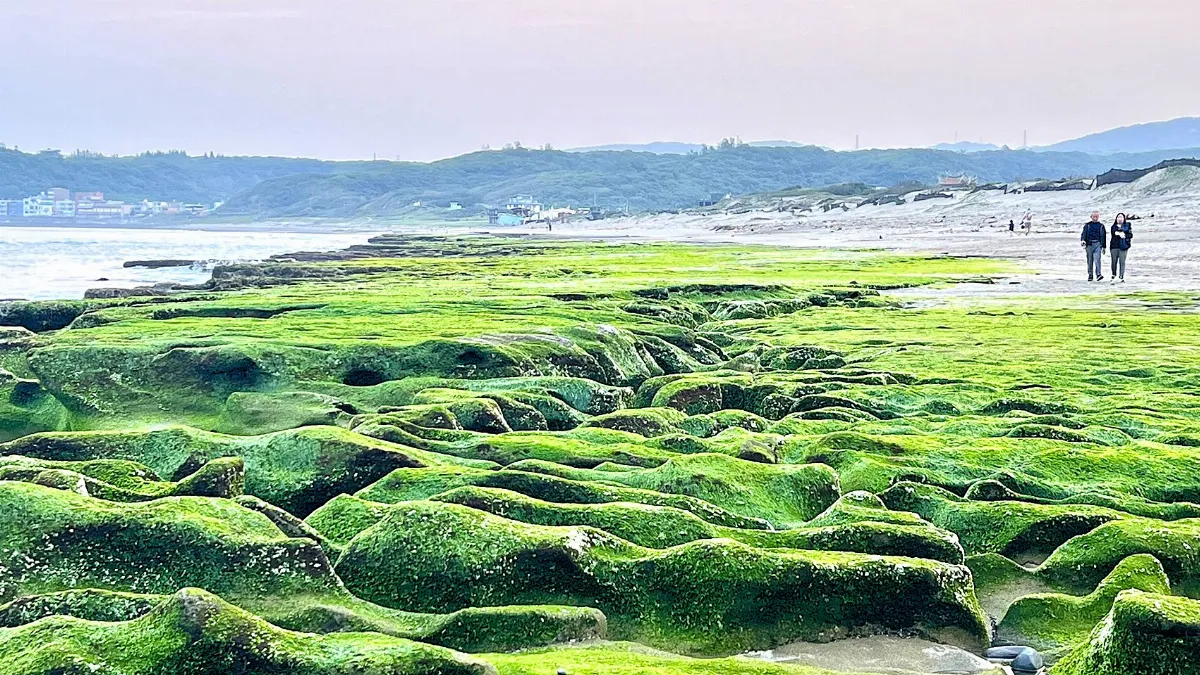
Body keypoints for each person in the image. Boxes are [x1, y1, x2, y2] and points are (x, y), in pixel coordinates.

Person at [1081, 211, 1107, 281]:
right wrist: (1083, 240)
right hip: (1089, 245)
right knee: (1090, 261)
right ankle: (1090, 275)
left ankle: (1098, 274)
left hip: (1098, 244)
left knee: (1097, 260)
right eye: (1094, 216)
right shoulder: (1087, 225)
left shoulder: (1101, 226)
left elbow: (1104, 236)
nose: (1095, 218)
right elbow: (1083, 234)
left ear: (1098, 217)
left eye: (1097, 216)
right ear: (1091, 217)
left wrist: (1104, 246)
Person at [1110, 212, 1133, 282]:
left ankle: (1121, 276)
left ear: (1124, 218)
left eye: (1121, 217)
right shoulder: (1113, 226)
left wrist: (1125, 235)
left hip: (1124, 246)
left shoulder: (1127, 226)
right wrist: (1119, 233)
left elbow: (1130, 235)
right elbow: (1114, 232)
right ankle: (1114, 274)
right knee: (1114, 262)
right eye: (1118, 217)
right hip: (1114, 246)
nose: (1119, 219)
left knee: (1122, 262)